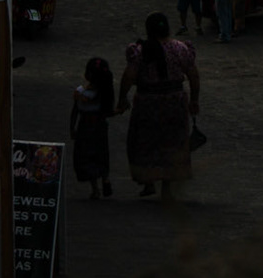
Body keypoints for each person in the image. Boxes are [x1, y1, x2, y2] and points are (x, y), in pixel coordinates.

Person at [114, 12, 200, 199]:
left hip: (148, 102)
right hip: (174, 102)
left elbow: (129, 76)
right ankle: (167, 187)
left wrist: (122, 98)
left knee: (145, 142)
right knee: (172, 143)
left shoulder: (140, 51)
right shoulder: (181, 48)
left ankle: (148, 180)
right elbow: (193, 75)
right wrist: (194, 100)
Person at [69, 57, 116, 200]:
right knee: (101, 153)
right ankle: (105, 178)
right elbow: (109, 112)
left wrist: (72, 128)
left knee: (86, 156)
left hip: (85, 126)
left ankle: (95, 189)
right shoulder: (104, 94)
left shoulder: (80, 92)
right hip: (100, 126)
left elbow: (75, 111)